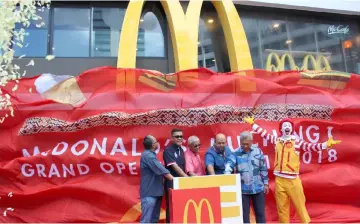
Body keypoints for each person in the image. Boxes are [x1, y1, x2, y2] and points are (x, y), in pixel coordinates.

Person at [243, 116, 341, 223]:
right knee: (282, 208)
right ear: (281, 129)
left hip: (293, 180)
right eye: (284, 125)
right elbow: (264, 134)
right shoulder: (277, 140)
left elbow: (311, 146)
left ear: (292, 129)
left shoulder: (297, 142)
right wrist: (253, 124)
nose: (287, 127)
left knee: (300, 205)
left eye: (289, 125)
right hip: (279, 180)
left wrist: (325, 144)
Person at [225, 131, 268, 223]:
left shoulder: (258, 151)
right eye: (243, 144)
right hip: (243, 190)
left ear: (251, 142)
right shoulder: (235, 153)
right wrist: (226, 176)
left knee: (260, 213)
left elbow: (263, 168)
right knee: (244, 215)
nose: (245, 146)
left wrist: (266, 183)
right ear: (240, 142)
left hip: (258, 188)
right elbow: (229, 165)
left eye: (247, 144)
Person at [140, 135, 174, 223]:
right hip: (150, 193)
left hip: (156, 192)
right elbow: (162, 170)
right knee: (147, 220)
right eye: (156, 142)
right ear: (153, 145)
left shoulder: (150, 155)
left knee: (154, 220)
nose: (157, 143)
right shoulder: (148, 156)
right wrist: (175, 180)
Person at [163, 128, 188, 223]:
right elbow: (174, 166)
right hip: (171, 182)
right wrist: (187, 178)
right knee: (171, 207)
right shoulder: (168, 150)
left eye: (181, 136)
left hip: (181, 183)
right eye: (177, 136)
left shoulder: (181, 150)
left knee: (181, 206)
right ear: (172, 138)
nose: (180, 138)